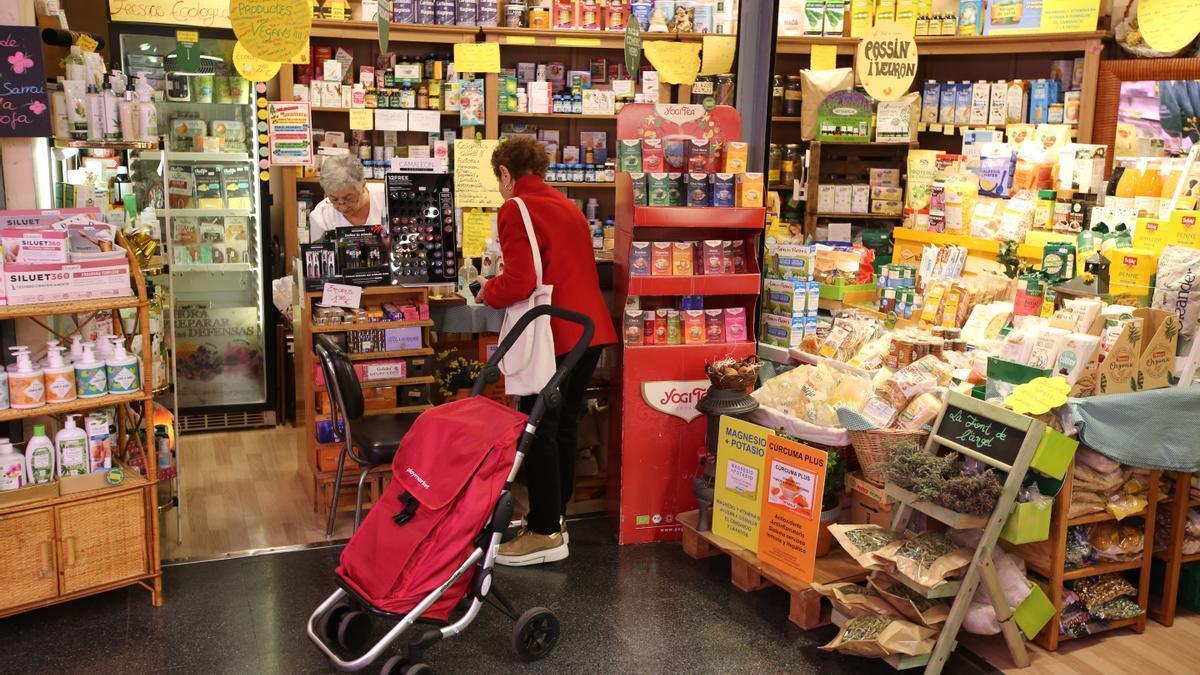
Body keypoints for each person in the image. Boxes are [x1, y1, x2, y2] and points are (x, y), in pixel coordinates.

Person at [479, 137, 617, 566]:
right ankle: (554, 519)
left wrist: (488, 291)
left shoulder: (515, 208)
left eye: (499, 178)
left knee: (536, 430)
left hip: (552, 334)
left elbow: (519, 281)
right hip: (589, 332)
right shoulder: (568, 205)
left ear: (506, 172)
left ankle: (543, 533)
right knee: (563, 428)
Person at [308, 153, 387, 241]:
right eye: (334, 199)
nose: (342, 207)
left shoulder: (386, 199)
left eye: (348, 198)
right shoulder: (321, 216)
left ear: (363, 185)